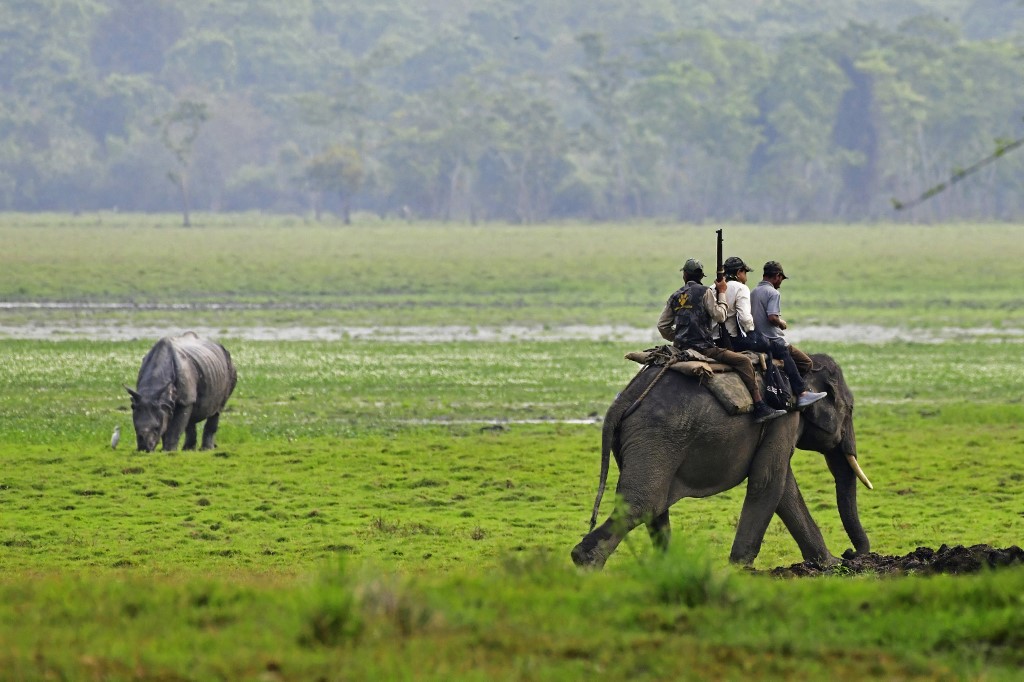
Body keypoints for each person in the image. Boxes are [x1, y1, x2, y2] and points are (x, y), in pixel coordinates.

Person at [658, 258, 787, 423]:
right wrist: (722, 293)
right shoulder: (706, 292)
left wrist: (680, 336)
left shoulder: (675, 295)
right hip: (704, 348)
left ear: (684, 274)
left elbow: (662, 326)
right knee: (743, 361)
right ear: (701, 276)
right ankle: (760, 406)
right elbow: (720, 316)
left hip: (680, 346)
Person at [749, 261, 827, 408]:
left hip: (756, 339)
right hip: (772, 339)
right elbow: (772, 317)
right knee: (805, 362)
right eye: (782, 279)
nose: (781, 283)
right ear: (777, 276)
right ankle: (801, 393)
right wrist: (781, 323)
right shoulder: (773, 293)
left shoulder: (753, 292)